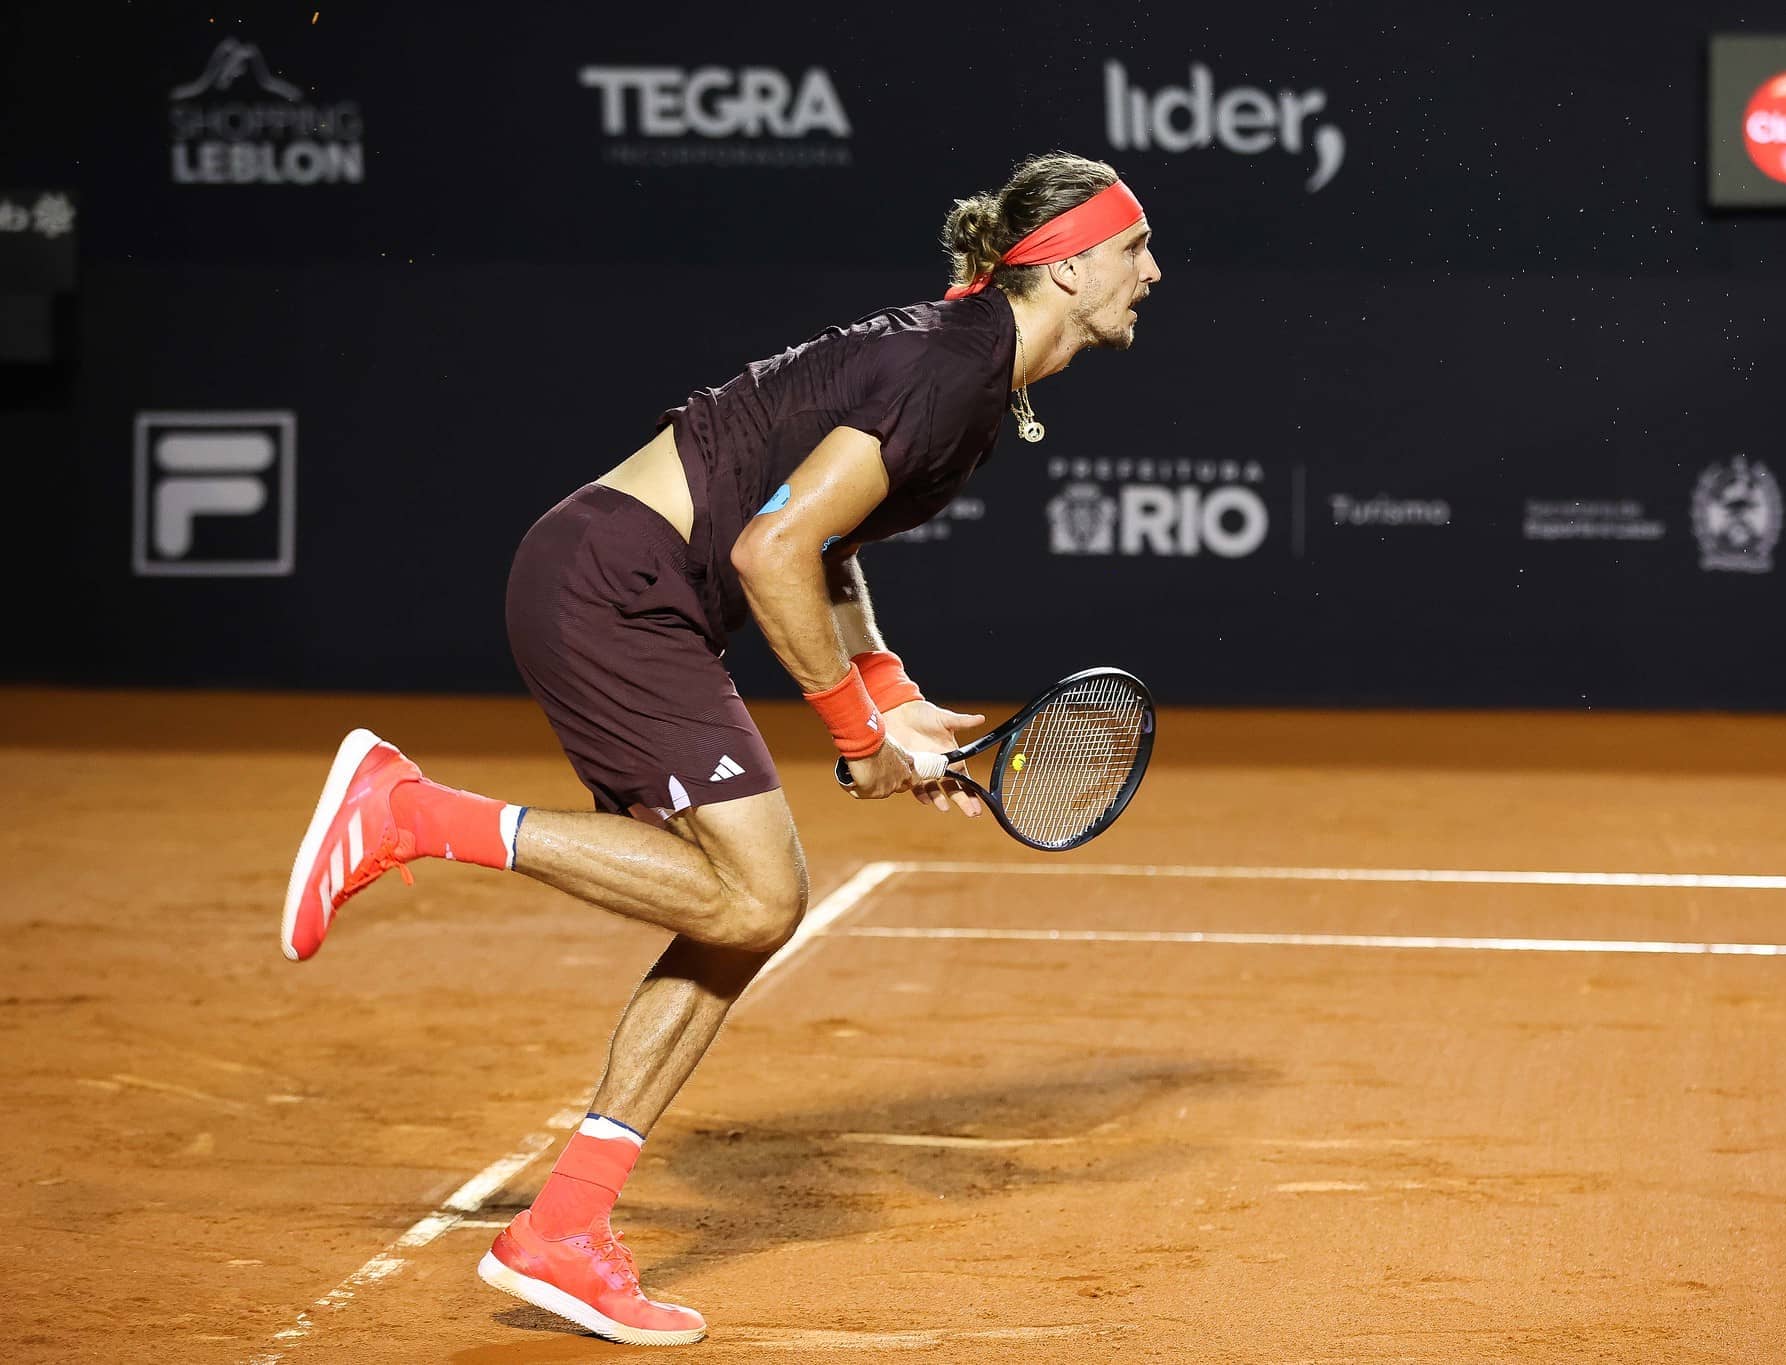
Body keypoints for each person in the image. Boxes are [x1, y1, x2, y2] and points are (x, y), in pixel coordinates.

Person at [277, 151, 1161, 1346]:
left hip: (622, 580)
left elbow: (829, 537)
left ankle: (564, 1228)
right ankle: (410, 813)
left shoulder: (972, 369)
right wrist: (853, 736)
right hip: (616, 585)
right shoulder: (953, 370)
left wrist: (888, 691)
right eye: (1132, 248)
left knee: (733, 920)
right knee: (760, 897)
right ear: (1061, 267)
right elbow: (769, 554)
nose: (1149, 273)